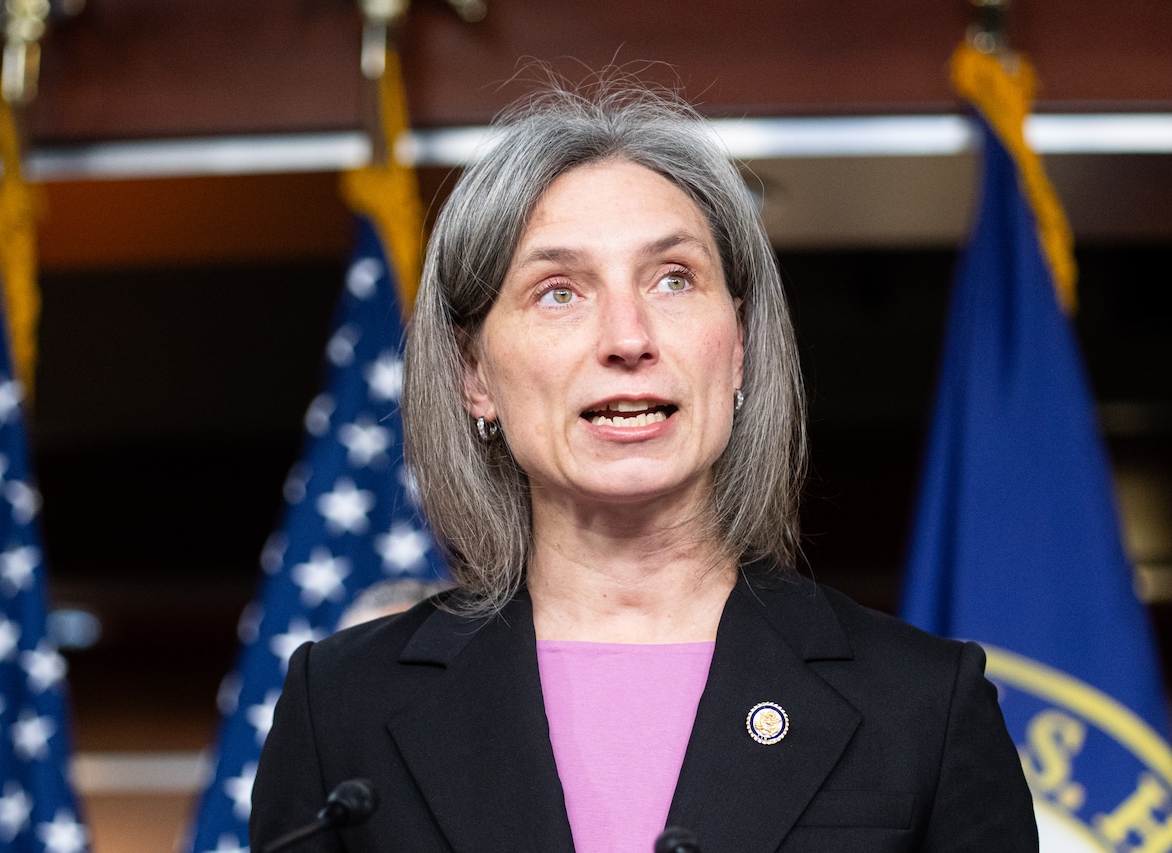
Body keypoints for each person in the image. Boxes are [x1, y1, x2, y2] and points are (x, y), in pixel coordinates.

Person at [251, 78, 1038, 852]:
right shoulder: (343, 708)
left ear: (739, 347)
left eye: (673, 279)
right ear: (474, 375)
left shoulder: (925, 705)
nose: (628, 337)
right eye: (559, 291)